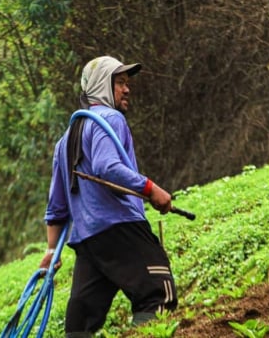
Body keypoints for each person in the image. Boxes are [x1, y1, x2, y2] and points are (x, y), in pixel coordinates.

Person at [40, 56, 178, 337]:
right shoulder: (110, 119)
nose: (127, 90)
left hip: (89, 242)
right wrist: (152, 190)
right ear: (101, 85)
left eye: (127, 83)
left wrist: (51, 251)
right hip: (121, 228)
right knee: (158, 293)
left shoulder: (63, 142)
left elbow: (56, 209)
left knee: (80, 325)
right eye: (119, 83)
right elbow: (107, 168)